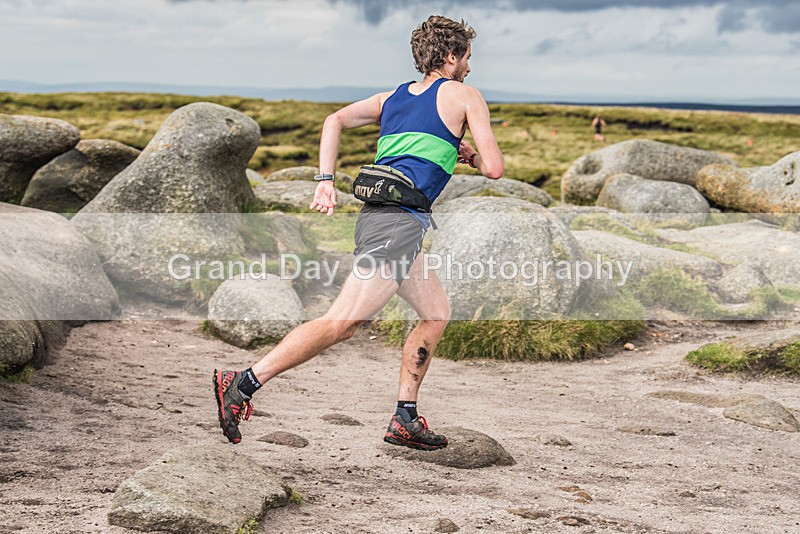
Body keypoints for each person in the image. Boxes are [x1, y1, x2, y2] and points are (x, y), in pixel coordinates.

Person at [214, 15, 504, 450]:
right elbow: (495, 169)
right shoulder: (465, 95)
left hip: (386, 219)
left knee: (436, 312)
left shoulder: (393, 98)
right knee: (342, 322)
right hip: (396, 225)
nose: (469, 66)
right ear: (450, 56)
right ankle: (243, 382)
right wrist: (473, 155)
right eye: (467, 57)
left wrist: (325, 180)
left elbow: (334, 120)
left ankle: (404, 416)